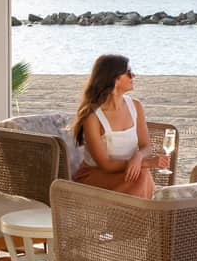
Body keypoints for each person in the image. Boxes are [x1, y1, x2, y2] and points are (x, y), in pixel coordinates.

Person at [71, 54, 168, 198]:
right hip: (97, 175)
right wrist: (146, 163)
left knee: (141, 176)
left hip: (127, 173)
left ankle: (137, 217)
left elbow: (146, 146)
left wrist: (138, 156)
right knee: (142, 175)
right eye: (129, 73)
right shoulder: (92, 116)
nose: (134, 75)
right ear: (115, 79)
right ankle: (145, 217)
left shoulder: (135, 106)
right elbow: (106, 164)